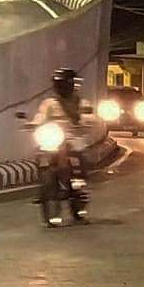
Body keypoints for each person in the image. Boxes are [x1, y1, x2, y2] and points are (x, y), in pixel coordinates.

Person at [30, 69, 92, 218]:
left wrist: (83, 123)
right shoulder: (49, 103)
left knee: (81, 158)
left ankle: (80, 186)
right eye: (58, 84)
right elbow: (40, 117)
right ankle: (44, 188)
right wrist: (32, 124)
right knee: (40, 154)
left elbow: (89, 118)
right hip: (55, 139)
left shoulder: (81, 103)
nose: (61, 88)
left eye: (63, 84)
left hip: (73, 139)